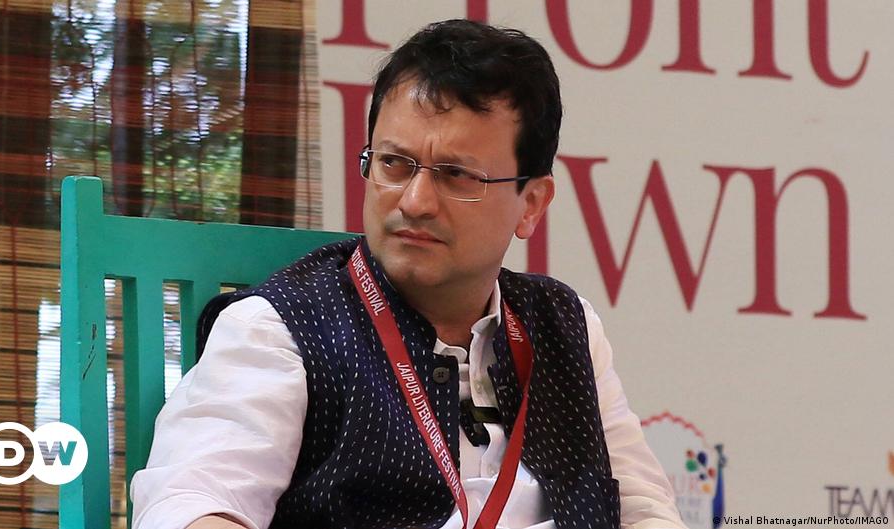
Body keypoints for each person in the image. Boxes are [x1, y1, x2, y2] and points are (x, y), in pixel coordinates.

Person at [131, 19, 687, 529]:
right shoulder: (279, 327)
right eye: (394, 164)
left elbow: (642, 508)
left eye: (457, 175)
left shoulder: (566, 326)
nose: (415, 202)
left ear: (532, 204)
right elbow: (190, 503)